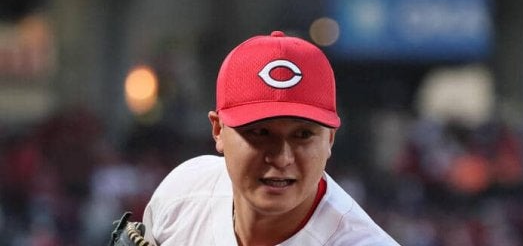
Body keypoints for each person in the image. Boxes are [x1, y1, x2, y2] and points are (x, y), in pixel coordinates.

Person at [142, 31, 398, 245]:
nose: (282, 158)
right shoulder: (184, 195)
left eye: (303, 135)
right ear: (218, 130)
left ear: (329, 139)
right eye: (260, 132)